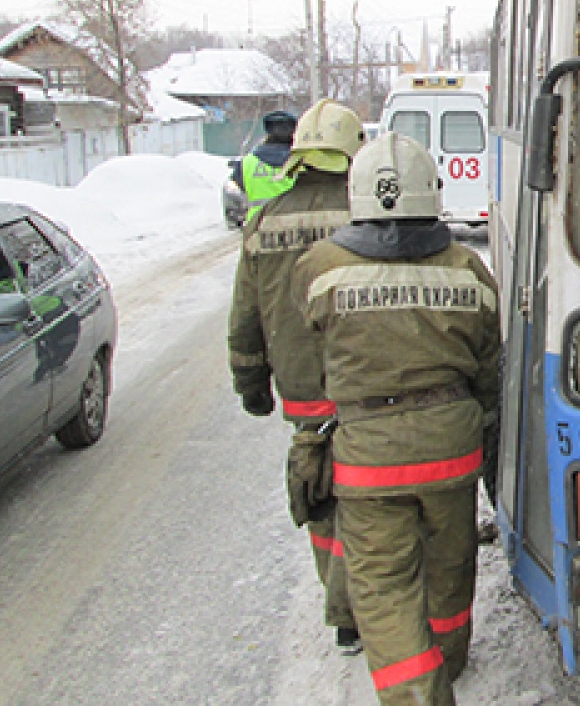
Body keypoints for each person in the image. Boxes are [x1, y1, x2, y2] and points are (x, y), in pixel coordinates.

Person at [293, 133, 500, 706]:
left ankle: (417, 695)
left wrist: (312, 433)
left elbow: (309, 359)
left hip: (369, 463)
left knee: (383, 590)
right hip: (451, 451)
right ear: (432, 194)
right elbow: (489, 366)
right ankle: (450, 661)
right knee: (450, 565)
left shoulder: (320, 268)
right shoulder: (467, 268)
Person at [227, 98, 367, 655]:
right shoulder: (364, 216)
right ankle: (380, 602)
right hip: (366, 386)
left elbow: (245, 318)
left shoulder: (264, 222)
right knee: (374, 495)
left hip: (306, 391)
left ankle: (344, 618)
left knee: (323, 495)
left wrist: (252, 385)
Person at [232, 109, 298, 222]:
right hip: (296, 226)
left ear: (267, 133)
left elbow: (239, 188)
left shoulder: (248, 162)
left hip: (258, 225)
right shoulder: (304, 160)